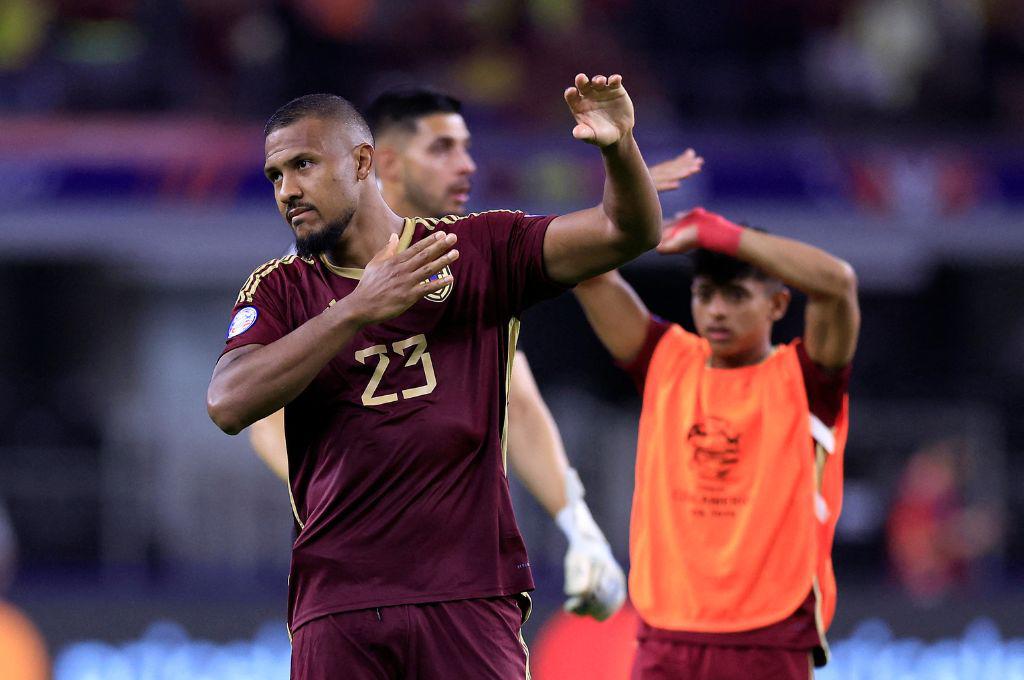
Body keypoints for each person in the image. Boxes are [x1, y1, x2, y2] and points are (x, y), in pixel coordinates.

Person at [206, 73, 663, 678]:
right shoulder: (280, 289)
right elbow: (227, 403)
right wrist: (355, 310)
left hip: (469, 597)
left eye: (304, 165)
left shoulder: (475, 250)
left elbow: (627, 232)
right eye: (276, 177)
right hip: (338, 605)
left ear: (364, 161)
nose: (287, 190)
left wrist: (619, 148)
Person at [573, 207, 860, 679]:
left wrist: (727, 236)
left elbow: (838, 283)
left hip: (768, 633)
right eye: (705, 295)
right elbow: (587, 274)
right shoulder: (666, 361)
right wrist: (628, 198)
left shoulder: (805, 381)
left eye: (736, 295)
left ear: (778, 305)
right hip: (666, 631)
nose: (717, 311)